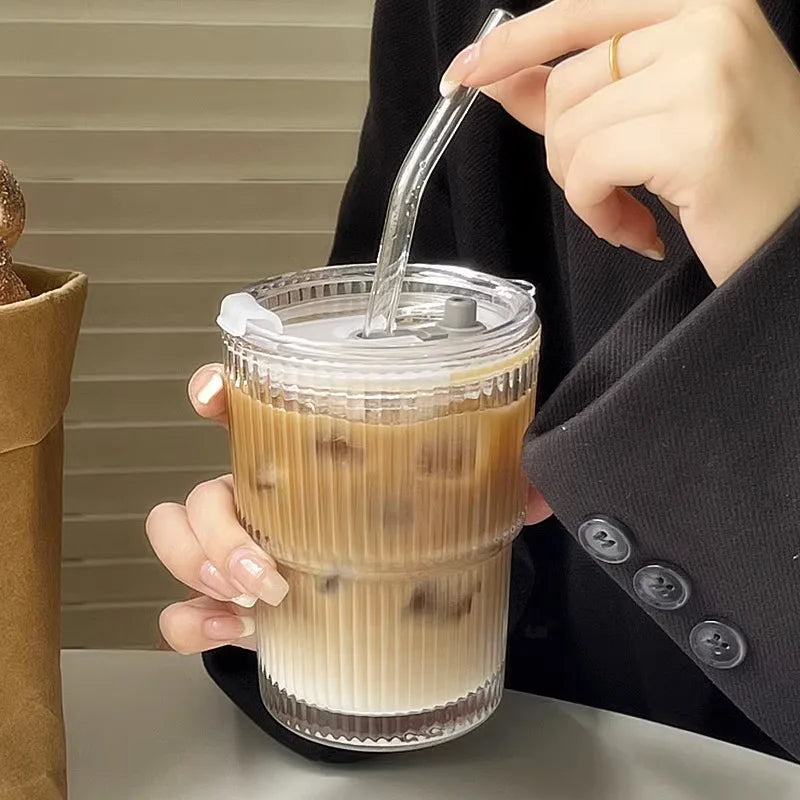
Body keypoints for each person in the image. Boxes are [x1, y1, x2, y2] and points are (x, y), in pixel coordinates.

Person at [146, 0, 800, 762]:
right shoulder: (448, 17)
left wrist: (777, 271)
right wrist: (296, 576)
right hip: (548, 758)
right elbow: (394, 368)